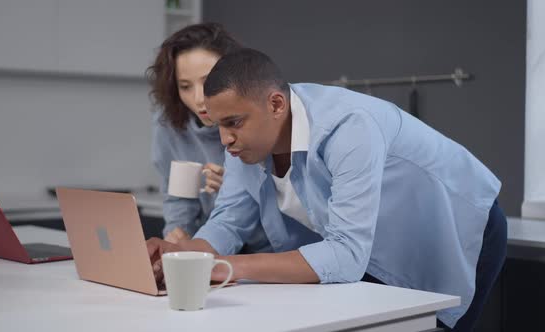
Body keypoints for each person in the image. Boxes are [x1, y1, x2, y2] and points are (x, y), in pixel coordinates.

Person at [146, 48, 507, 331]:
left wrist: (224, 267)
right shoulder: (247, 146)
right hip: (369, 244)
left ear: (275, 104)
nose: (225, 140)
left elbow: (346, 255)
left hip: (458, 225)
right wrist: (178, 254)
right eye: (218, 125)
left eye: (233, 123)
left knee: (429, 324)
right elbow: (227, 225)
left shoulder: (348, 128)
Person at [146, 23, 269, 250]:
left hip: (263, 255)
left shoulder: (261, 121)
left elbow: (284, 225)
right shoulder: (169, 124)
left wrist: (235, 195)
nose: (199, 98)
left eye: (209, 81)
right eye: (185, 86)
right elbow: (178, 199)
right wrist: (177, 236)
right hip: (206, 252)